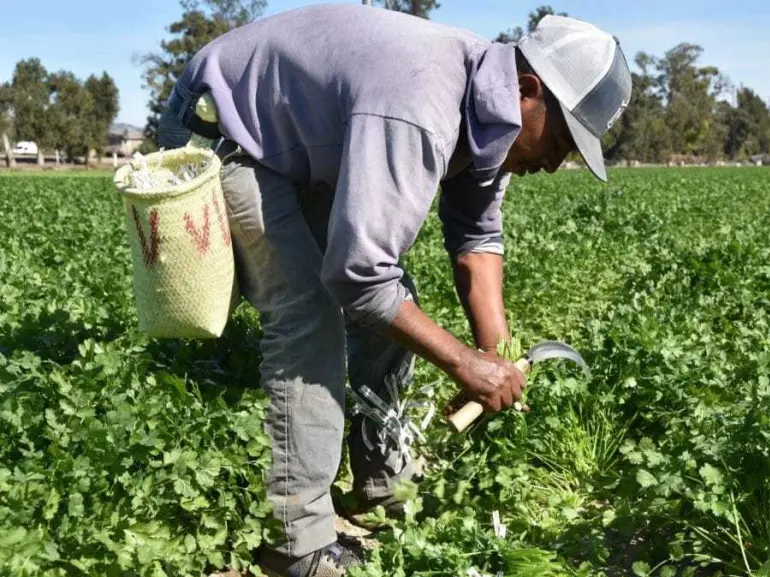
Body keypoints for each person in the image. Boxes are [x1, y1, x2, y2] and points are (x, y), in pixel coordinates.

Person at [157, 4, 631, 576]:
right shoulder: (423, 104)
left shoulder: (492, 114)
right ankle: (295, 542)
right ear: (528, 91)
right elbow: (358, 276)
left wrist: (497, 358)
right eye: (561, 140)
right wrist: (465, 366)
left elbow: (477, 241)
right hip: (225, 129)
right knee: (310, 308)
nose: (556, 164)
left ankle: (382, 484)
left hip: (298, 144)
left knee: (392, 295)